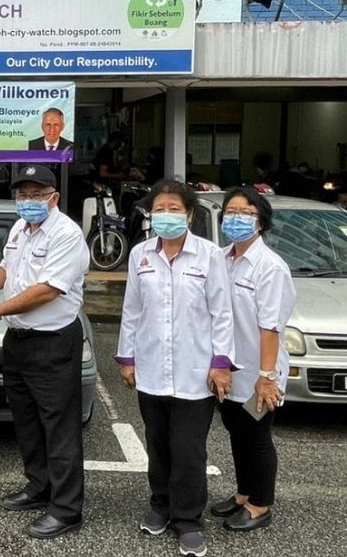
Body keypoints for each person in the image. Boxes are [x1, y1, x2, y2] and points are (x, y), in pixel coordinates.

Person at [0, 164, 89, 539]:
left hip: (52, 342)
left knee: (59, 427)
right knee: (28, 423)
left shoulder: (67, 235)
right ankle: (39, 488)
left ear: (54, 198)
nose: (28, 200)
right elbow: (7, 270)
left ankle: (66, 509)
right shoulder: (21, 227)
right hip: (18, 341)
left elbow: (46, 290)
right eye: (22, 194)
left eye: (37, 194)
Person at [115, 179, 235, 557]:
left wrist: (221, 363)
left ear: (190, 215)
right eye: (159, 209)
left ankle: (188, 519)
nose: (166, 215)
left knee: (188, 451)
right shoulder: (140, 254)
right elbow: (132, 309)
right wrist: (126, 357)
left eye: (174, 209)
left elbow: (222, 313)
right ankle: (160, 505)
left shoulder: (209, 255)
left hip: (194, 373)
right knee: (157, 444)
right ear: (150, 214)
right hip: (151, 368)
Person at [211, 187, 295, 532]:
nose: (237, 219)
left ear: (261, 221)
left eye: (246, 213)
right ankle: (244, 493)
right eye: (231, 212)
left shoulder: (270, 267)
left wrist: (266, 376)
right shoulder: (221, 259)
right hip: (229, 369)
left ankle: (260, 504)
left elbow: (270, 327)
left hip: (261, 371)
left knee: (256, 436)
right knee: (237, 432)